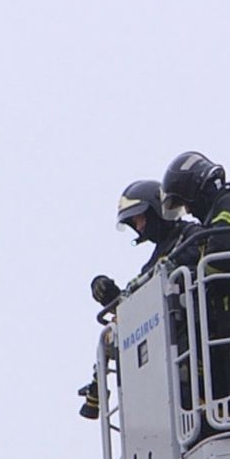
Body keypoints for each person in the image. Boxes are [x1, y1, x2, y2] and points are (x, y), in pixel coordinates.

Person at [78, 180, 202, 420]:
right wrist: (114, 298)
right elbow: (143, 293)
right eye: (134, 223)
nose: (139, 227)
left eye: (140, 219)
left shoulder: (191, 235)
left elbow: (178, 270)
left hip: (194, 338)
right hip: (166, 348)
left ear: (157, 210)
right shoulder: (152, 261)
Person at [160, 152, 230, 407]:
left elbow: (221, 256)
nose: (189, 211)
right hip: (229, 320)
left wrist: (186, 274)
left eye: (187, 203)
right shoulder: (219, 210)